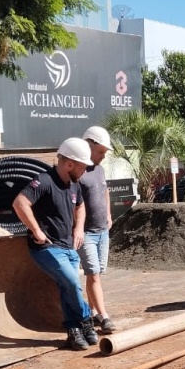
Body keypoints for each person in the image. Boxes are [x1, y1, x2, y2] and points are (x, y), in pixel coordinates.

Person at [12, 137, 98, 350]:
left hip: (68, 247)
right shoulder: (44, 181)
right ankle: (86, 319)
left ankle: (73, 330)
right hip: (47, 248)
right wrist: (36, 230)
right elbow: (20, 203)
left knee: (67, 288)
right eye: (83, 167)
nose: (85, 171)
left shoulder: (74, 185)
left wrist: (79, 228)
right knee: (72, 283)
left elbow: (80, 206)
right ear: (69, 164)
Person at [77, 125, 116, 336]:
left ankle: (93, 312)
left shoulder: (99, 170)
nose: (103, 156)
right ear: (88, 145)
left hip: (102, 231)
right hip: (87, 233)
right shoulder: (79, 172)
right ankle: (104, 316)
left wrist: (108, 214)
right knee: (93, 274)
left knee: (96, 274)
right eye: (100, 152)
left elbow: (105, 191)